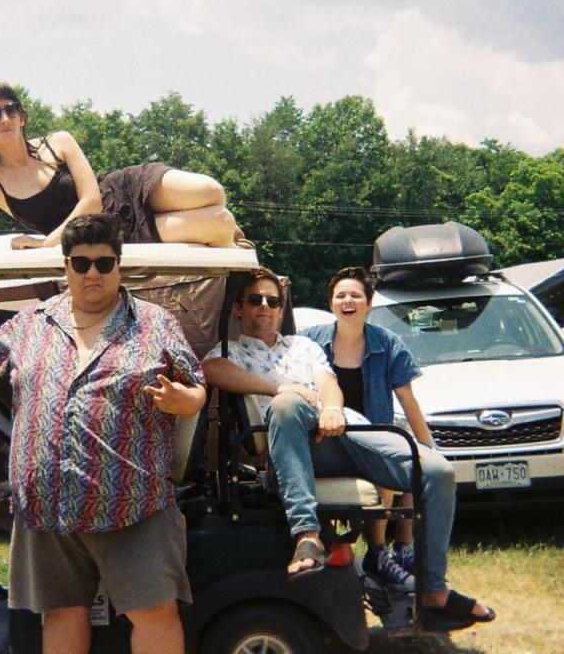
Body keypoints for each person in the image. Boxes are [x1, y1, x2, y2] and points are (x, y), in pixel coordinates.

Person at [0, 213, 206, 654]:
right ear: (66, 268)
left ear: (119, 266)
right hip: (47, 510)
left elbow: (196, 389)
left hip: (132, 505)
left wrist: (182, 400)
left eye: (104, 263)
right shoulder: (33, 322)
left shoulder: (155, 323)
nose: (93, 273)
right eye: (81, 264)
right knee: (62, 612)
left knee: (154, 613)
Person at [202, 268, 495, 631]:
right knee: (288, 405)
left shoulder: (304, 346)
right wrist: (277, 389)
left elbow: (328, 384)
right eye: (255, 299)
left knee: (437, 472)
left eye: (273, 301)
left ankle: (433, 593)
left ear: (281, 310)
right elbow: (211, 370)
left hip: (340, 431)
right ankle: (307, 536)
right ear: (239, 309)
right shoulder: (231, 352)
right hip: (291, 446)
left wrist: (330, 408)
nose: (265, 306)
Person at [0, 83, 244, 273]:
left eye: (11, 109)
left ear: (22, 116)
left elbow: (92, 198)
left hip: (125, 188)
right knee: (222, 222)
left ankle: (229, 241)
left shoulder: (59, 141)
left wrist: (48, 242)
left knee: (213, 191)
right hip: (111, 231)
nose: (4, 118)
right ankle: (231, 242)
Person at [299, 266, 430, 593]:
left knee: (410, 458)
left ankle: (395, 549)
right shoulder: (309, 343)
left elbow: (407, 399)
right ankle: (379, 553)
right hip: (326, 439)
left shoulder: (387, 343)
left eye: (355, 295)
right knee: (386, 464)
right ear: (331, 304)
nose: (347, 300)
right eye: (340, 295)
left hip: (371, 437)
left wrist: (429, 448)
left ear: (368, 304)